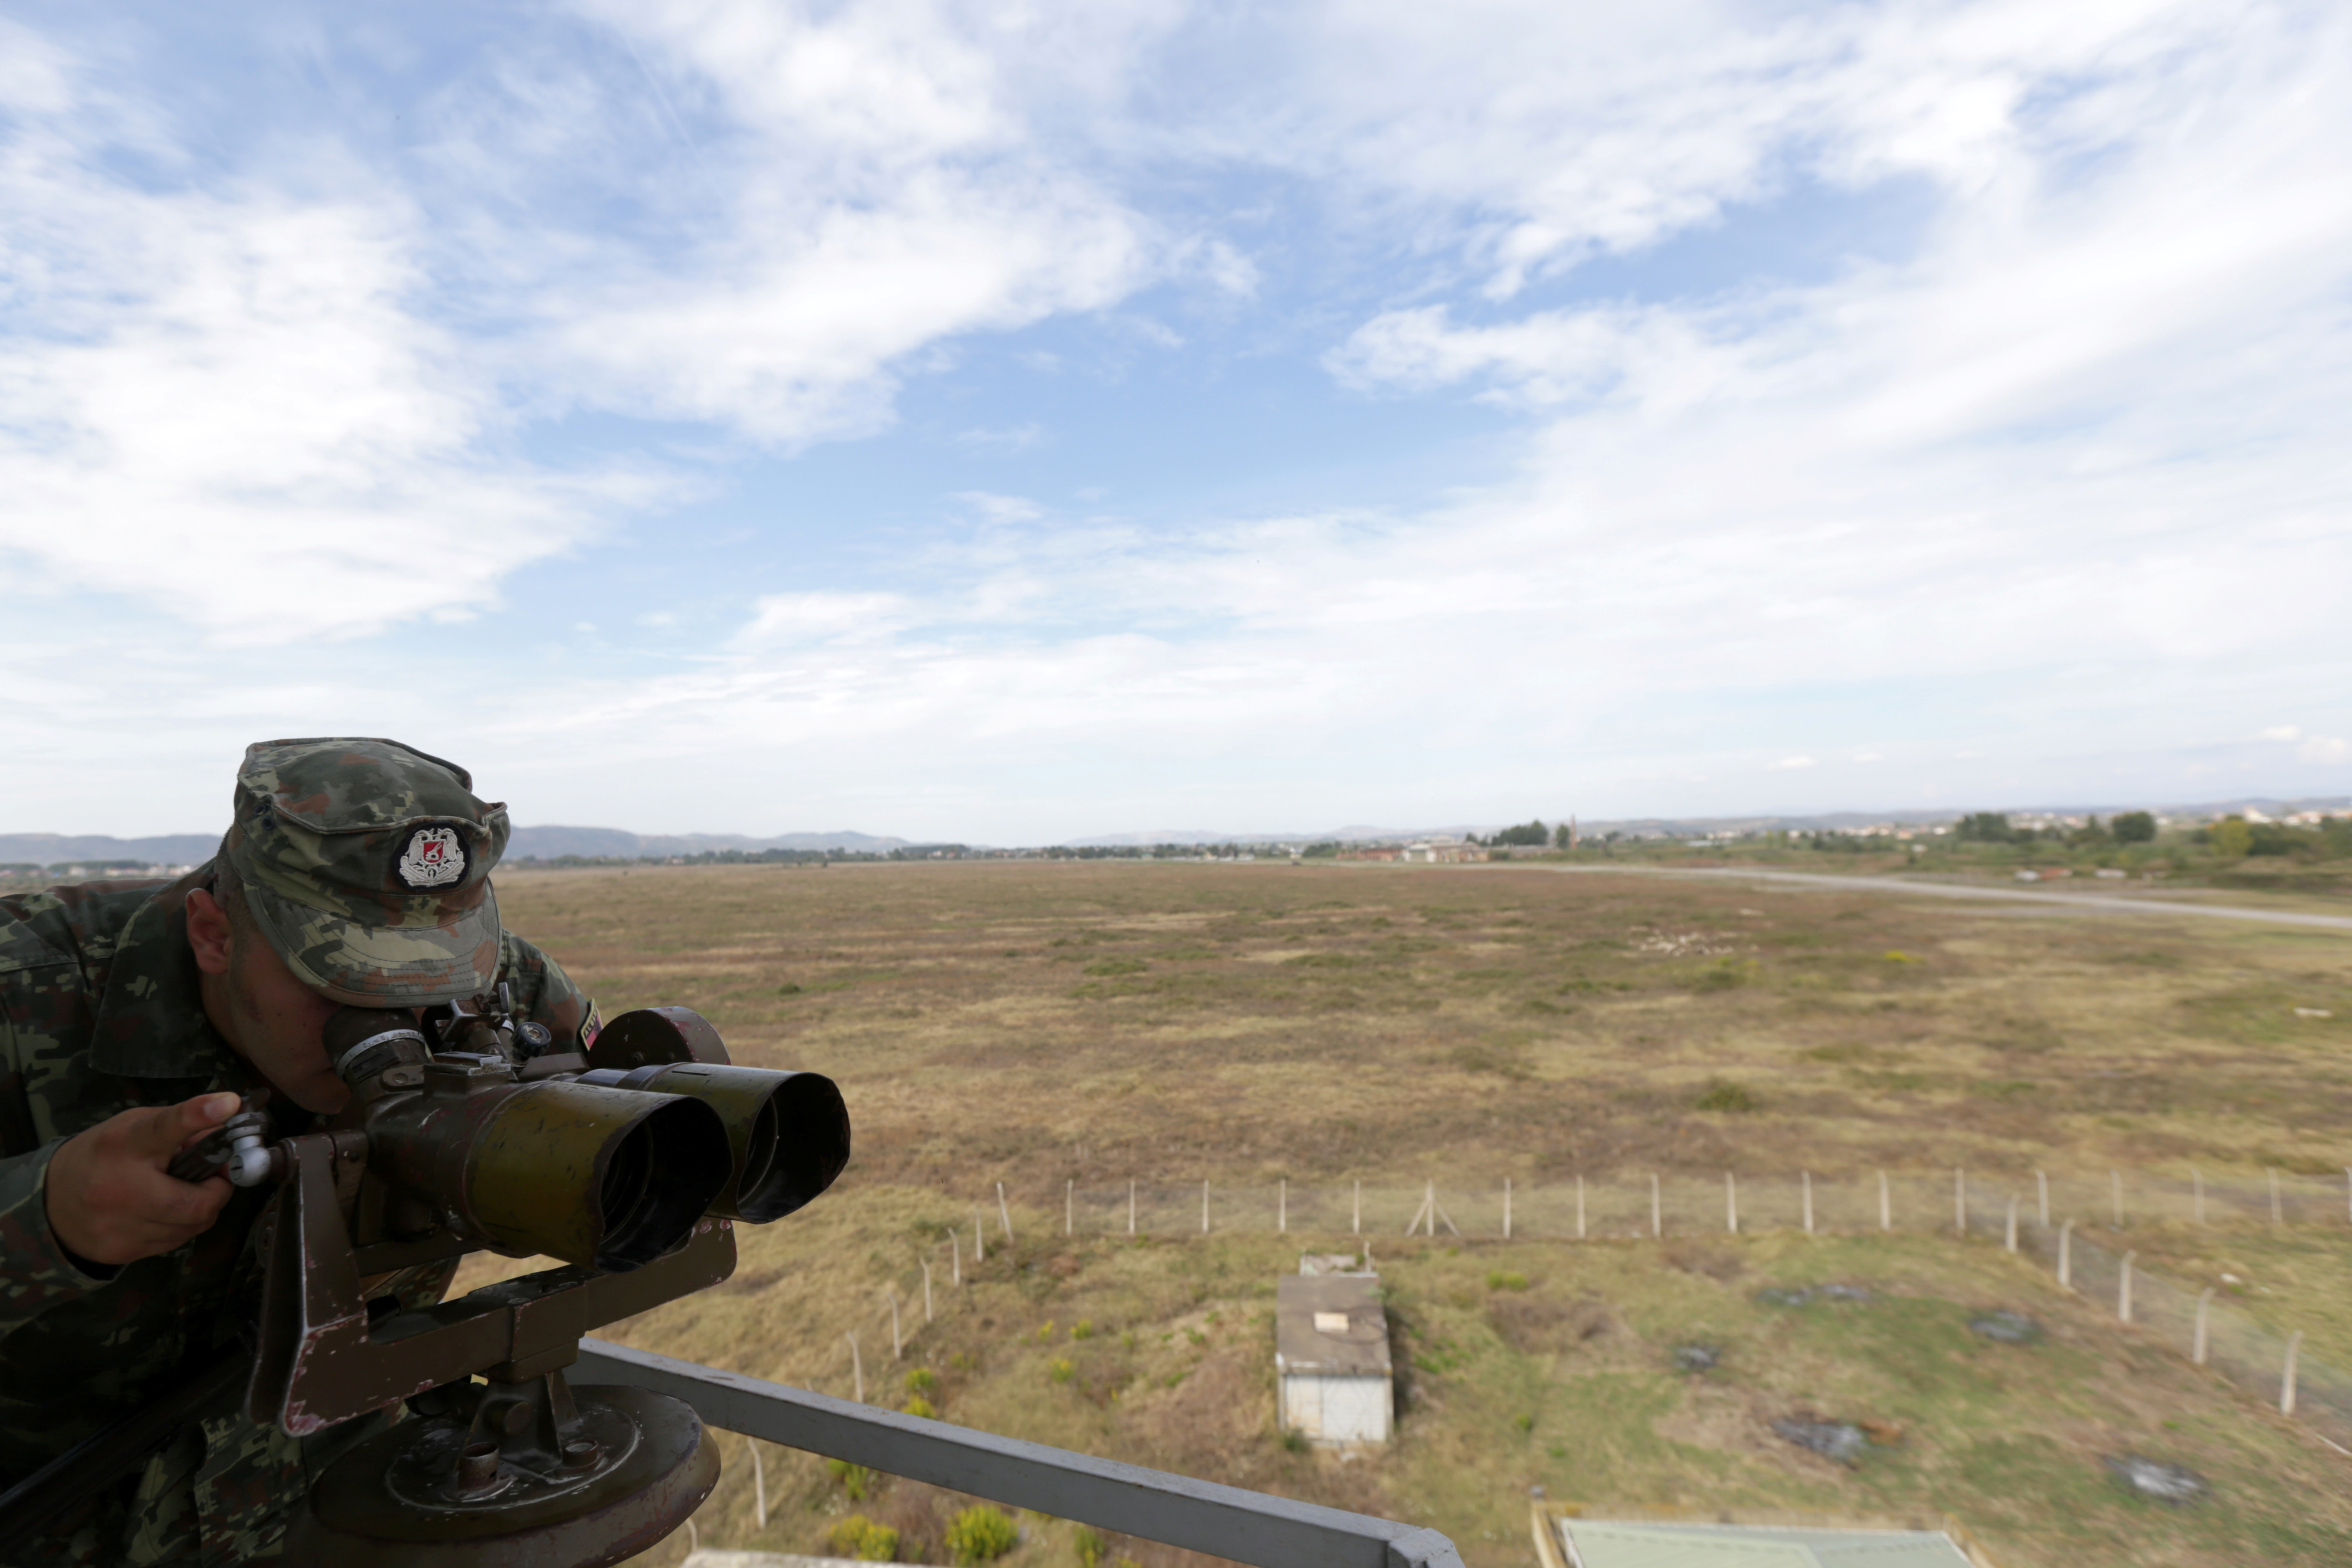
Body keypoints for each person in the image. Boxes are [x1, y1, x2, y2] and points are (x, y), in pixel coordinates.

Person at [0, 738, 597, 1565]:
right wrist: (45, 1219)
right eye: (343, 981)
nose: (401, 1019)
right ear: (212, 933)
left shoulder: (510, 993)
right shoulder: (23, 993)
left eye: (434, 979)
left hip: (332, 1519)